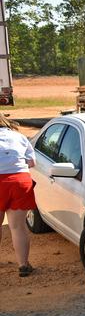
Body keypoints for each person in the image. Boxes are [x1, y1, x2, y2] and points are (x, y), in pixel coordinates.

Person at [0, 116, 36, 277]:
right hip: (20, 181)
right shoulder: (19, 137)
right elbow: (31, 163)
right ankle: (23, 265)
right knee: (17, 226)